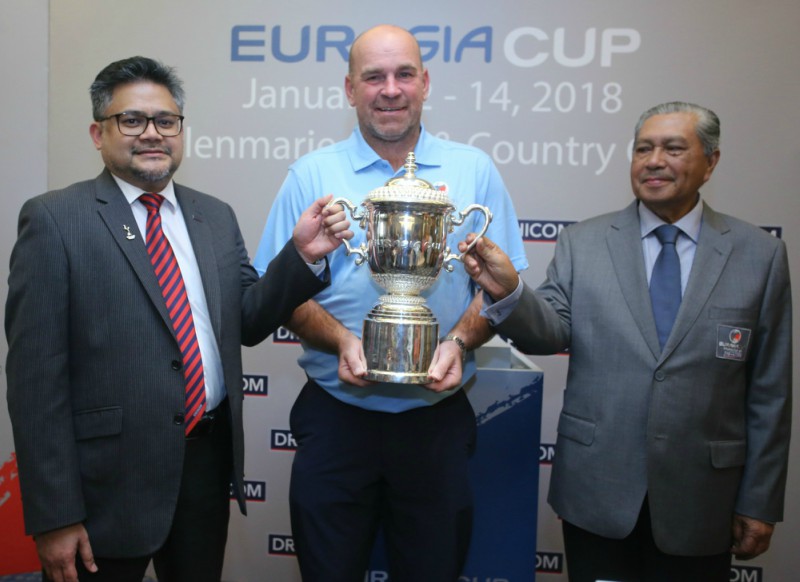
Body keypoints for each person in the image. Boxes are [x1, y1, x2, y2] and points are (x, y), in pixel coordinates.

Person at [4, 56, 352, 582]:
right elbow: (35, 382)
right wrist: (54, 515)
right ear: (98, 133)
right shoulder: (55, 219)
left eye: (166, 121)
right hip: (105, 486)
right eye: (132, 120)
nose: (152, 133)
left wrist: (301, 256)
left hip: (204, 470)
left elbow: (248, 322)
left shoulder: (214, 216)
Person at [459, 102, 792, 582]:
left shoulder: (760, 255)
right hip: (597, 493)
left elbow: (770, 394)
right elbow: (548, 331)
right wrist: (510, 291)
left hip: (702, 500)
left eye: (673, 149)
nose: (654, 161)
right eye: (643, 149)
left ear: (711, 162)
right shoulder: (583, 242)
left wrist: (759, 501)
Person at [252, 24, 527, 582]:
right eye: (374, 77)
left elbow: (499, 286)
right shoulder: (311, 175)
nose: (391, 89)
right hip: (336, 418)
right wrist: (341, 339)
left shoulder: (473, 170)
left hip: (435, 420)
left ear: (425, 82)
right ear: (350, 89)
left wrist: (458, 341)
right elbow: (276, 293)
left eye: (404, 75)